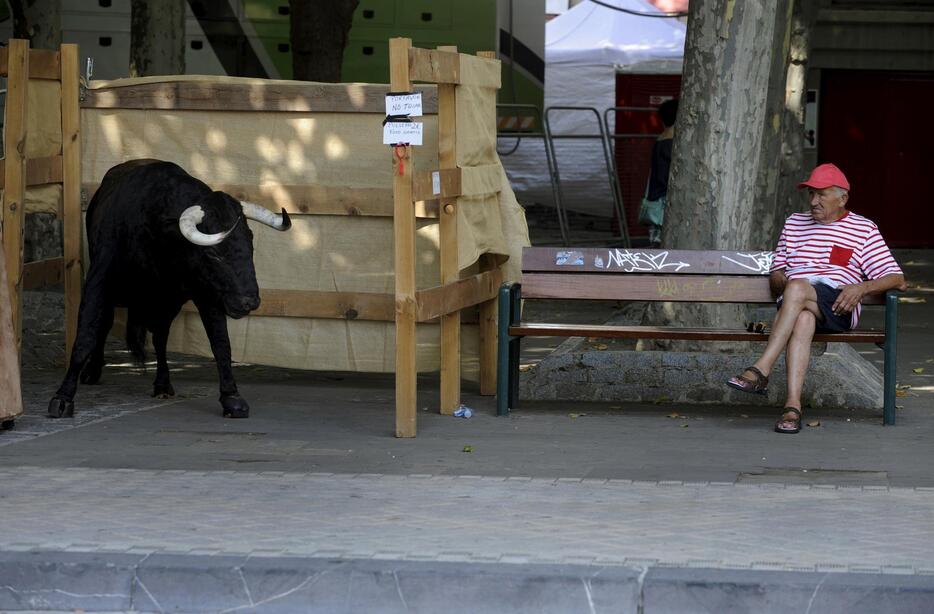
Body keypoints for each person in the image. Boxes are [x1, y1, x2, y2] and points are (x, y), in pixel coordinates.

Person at [726, 163, 907, 434]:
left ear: (842, 198)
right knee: (802, 317)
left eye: (821, 194)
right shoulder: (794, 223)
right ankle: (792, 407)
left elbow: (897, 278)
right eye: (811, 194)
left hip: (837, 305)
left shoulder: (863, 229)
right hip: (794, 303)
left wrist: (861, 288)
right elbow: (778, 271)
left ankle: (761, 369)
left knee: (798, 289)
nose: (813, 201)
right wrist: (778, 278)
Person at [645, 98, 678, 247]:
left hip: (656, 200)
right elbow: (665, 177)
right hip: (664, 203)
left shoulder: (660, 141)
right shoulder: (671, 144)